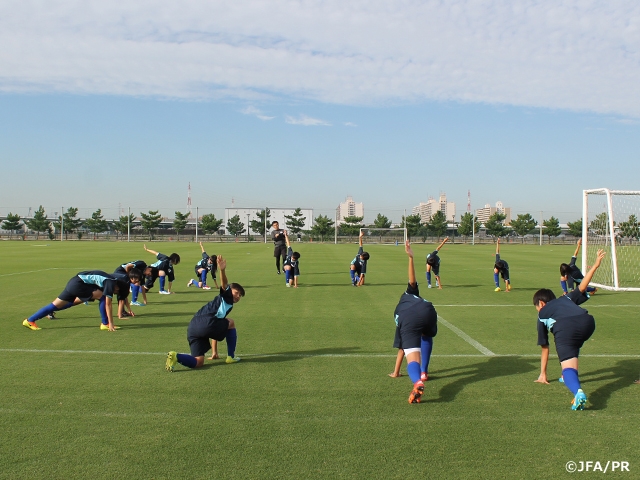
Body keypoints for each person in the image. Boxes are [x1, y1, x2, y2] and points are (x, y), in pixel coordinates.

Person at [534, 249, 606, 410]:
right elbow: (582, 287)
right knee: (573, 345)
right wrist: (595, 266)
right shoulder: (565, 298)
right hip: (588, 322)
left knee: (568, 367)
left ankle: (577, 392)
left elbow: (545, 348)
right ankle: (566, 375)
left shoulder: (542, 315)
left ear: (541, 303)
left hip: (566, 328)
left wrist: (543, 374)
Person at [165, 255, 245, 371]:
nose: (238, 296)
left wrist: (214, 352)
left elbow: (215, 329)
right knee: (231, 323)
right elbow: (224, 284)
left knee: (198, 362)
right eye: (236, 292)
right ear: (229, 291)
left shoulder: (219, 304)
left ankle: (176, 356)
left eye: (240, 295)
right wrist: (222, 270)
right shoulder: (226, 297)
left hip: (193, 327)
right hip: (207, 324)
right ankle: (231, 356)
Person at [22, 269, 142, 332]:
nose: (114, 293)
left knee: (56, 305)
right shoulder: (111, 283)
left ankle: (30, 320)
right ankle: (105, 324)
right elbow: (108, 305)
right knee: (102, 297)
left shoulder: (112, 280)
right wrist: (111, 323)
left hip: (74, 282)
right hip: (78, 284)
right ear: (117, 287)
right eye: (116, 292)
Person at [392, 240, 438, 403]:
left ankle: (417, 380)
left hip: (410, 319)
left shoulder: (399, 315)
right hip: (428, 309)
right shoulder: (409, 294)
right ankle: (424, 372)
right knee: (426, 336)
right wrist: (411, 257)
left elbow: (401, 349)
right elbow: (412, 281)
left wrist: (396, 372)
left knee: (412, 357)